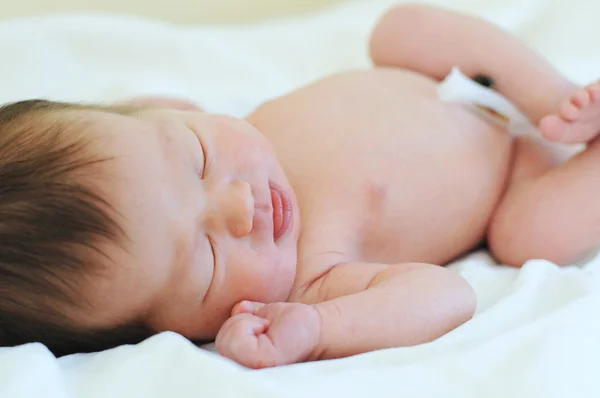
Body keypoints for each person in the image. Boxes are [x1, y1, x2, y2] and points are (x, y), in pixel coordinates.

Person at [1, 4, 598, 368]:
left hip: (459, 83)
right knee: (529, 236)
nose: (241, 205)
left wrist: (148, 121)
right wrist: (320, 332)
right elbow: (447, 297)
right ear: (174, 331)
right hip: (518, 178)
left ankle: (555, 94)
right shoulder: (310, 279)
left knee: (399, 27)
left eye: (197, 156)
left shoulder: (169, 123)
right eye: (207, 256)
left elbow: (151, 118)